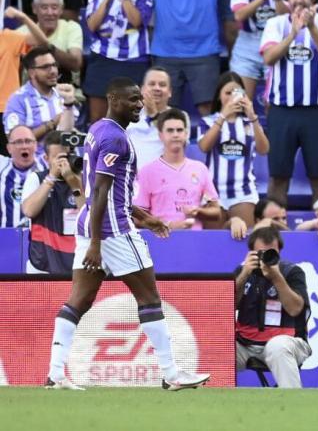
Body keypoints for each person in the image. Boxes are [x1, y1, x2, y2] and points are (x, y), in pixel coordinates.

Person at [44, 77, 210, 391]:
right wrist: (97, 243)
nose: (138, 104)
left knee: (78, 300)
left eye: (139, 99)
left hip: (91, 226)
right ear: (113, 98)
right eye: (132, 99)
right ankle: (172, 374)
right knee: (149, 298)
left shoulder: (97, 129)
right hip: (113, 231)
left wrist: (146, 217)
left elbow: (104, 189)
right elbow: (102, 193)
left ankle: (54, 375)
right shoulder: (115, 139)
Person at [260, 0, 318, 205]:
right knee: (278, 176)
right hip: (281, 110)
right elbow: (269, 58)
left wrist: (312, 28)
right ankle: (275, 228)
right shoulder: (275, 24)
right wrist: (293, 33)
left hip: (317, 111)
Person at [234, 226, 311, 388]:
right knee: (217, 346)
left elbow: (295, 309)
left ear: (279, 252)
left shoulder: (292, 272)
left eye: (271, 253)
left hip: (289, 342)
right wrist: (244, 274)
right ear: (250, 253)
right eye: (260, 253)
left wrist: (277, 277)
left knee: (278, 346)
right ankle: (211, 402)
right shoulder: (242, 272)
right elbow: (228, 306)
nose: (265, 258)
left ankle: (294, 405)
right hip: (245, 344)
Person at [198, 72, 270, 238]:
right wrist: (223, 115)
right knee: (213, 242)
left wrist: (252, 117)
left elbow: (264, 149)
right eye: (227, 93)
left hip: (243, 191)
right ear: (219, 97)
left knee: (244, 240)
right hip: (213, 192)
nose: (232, 97)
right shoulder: (208, 121)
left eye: (237, 92)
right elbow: (204, 146)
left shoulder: (250, 122)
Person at [134, 108, 221, 231]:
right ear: (160, 135)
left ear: (186, 134)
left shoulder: (200, 169)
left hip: (194, 241)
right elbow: (138, 218)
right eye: (170, 130)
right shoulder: (147, 171)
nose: (175, 134)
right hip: (161, 240)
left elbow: (216, 212)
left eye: (179, 130)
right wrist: (168, 226)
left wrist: (199, 211)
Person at [21, 130, 85, 273]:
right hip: (43, 264)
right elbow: (29, 211)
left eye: (66, 157)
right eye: (58, 158)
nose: (64, 162)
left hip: (78, 262)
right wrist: (51, 178)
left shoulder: (83, 180)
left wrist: (74, 184)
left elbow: (89, 217)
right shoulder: (36, 179)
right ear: (46, 158)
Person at [84, 0, 153, 123]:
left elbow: (136, 21)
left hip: (134, 59)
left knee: (133, 116)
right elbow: (92, 25)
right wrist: (106, 0)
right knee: (98, 119)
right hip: (102, 57)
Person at [151, 0, 222, 117]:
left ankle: (210, 135)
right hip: (165, 51)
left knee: (208, 109)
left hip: (205, 50)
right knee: (163, 109)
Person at [1, 6, 49, 155]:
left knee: (11, 158)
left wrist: (23, 18)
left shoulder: (9, 37)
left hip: (7, 109)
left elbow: (43, 44)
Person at [3, 46, 76, 143]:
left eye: (54, 65)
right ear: (31, 72)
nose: (53, 71)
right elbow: (16, 141)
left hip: (64, 156)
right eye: (46, 67)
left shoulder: (63, 94)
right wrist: (52, 124)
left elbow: (71, 134)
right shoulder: (18, 100)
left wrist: (69, 105)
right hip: (35, 157)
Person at [126, 66, 188, 171]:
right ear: (141, 89)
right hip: (131, 179)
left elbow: (178, 146)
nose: (157, 88)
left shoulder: (180, 116)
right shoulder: (126, 115)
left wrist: (154, 114)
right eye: (152, 84)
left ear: (170, 92)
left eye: (162, 85)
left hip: (165, 178)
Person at [229, 0, 288, 100]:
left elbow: (288, 16)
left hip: (276, 41)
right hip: (247, 44)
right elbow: (239, 15)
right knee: (239, 99)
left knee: (274, 101)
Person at [17, 0, 83, 84]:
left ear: (61, 9)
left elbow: (76, 64)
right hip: (30, 91)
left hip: (65, 88)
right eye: (44, 7)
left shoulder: (71, 28)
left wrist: (46, 46)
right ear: (34, 8)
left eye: (54, 7)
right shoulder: (21, 33)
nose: (50, 13)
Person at [0, 125, 47, 228]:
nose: (24, 146)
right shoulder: (2, 166)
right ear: (9, 148)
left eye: (28, 141)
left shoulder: (47, 166)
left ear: (35, 145)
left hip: (39, 239)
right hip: (6, 238)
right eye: (18, 142)